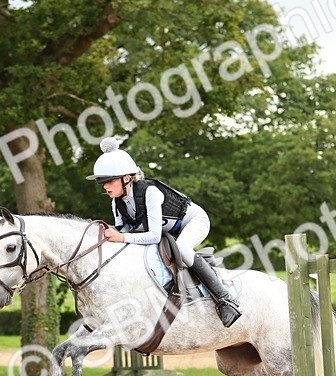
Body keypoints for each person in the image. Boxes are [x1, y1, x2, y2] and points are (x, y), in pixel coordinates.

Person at [86, 137, 241, 327]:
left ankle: (226, 300)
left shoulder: (150, 192)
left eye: (109, 181)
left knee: (182, 247)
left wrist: (121, 236)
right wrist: (109, 233)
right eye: (102, 182)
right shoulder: (116, 202)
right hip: (168, 231)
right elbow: (123, 233)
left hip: (193, 221)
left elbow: (152, 236)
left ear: (126, 178)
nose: (105, 186)